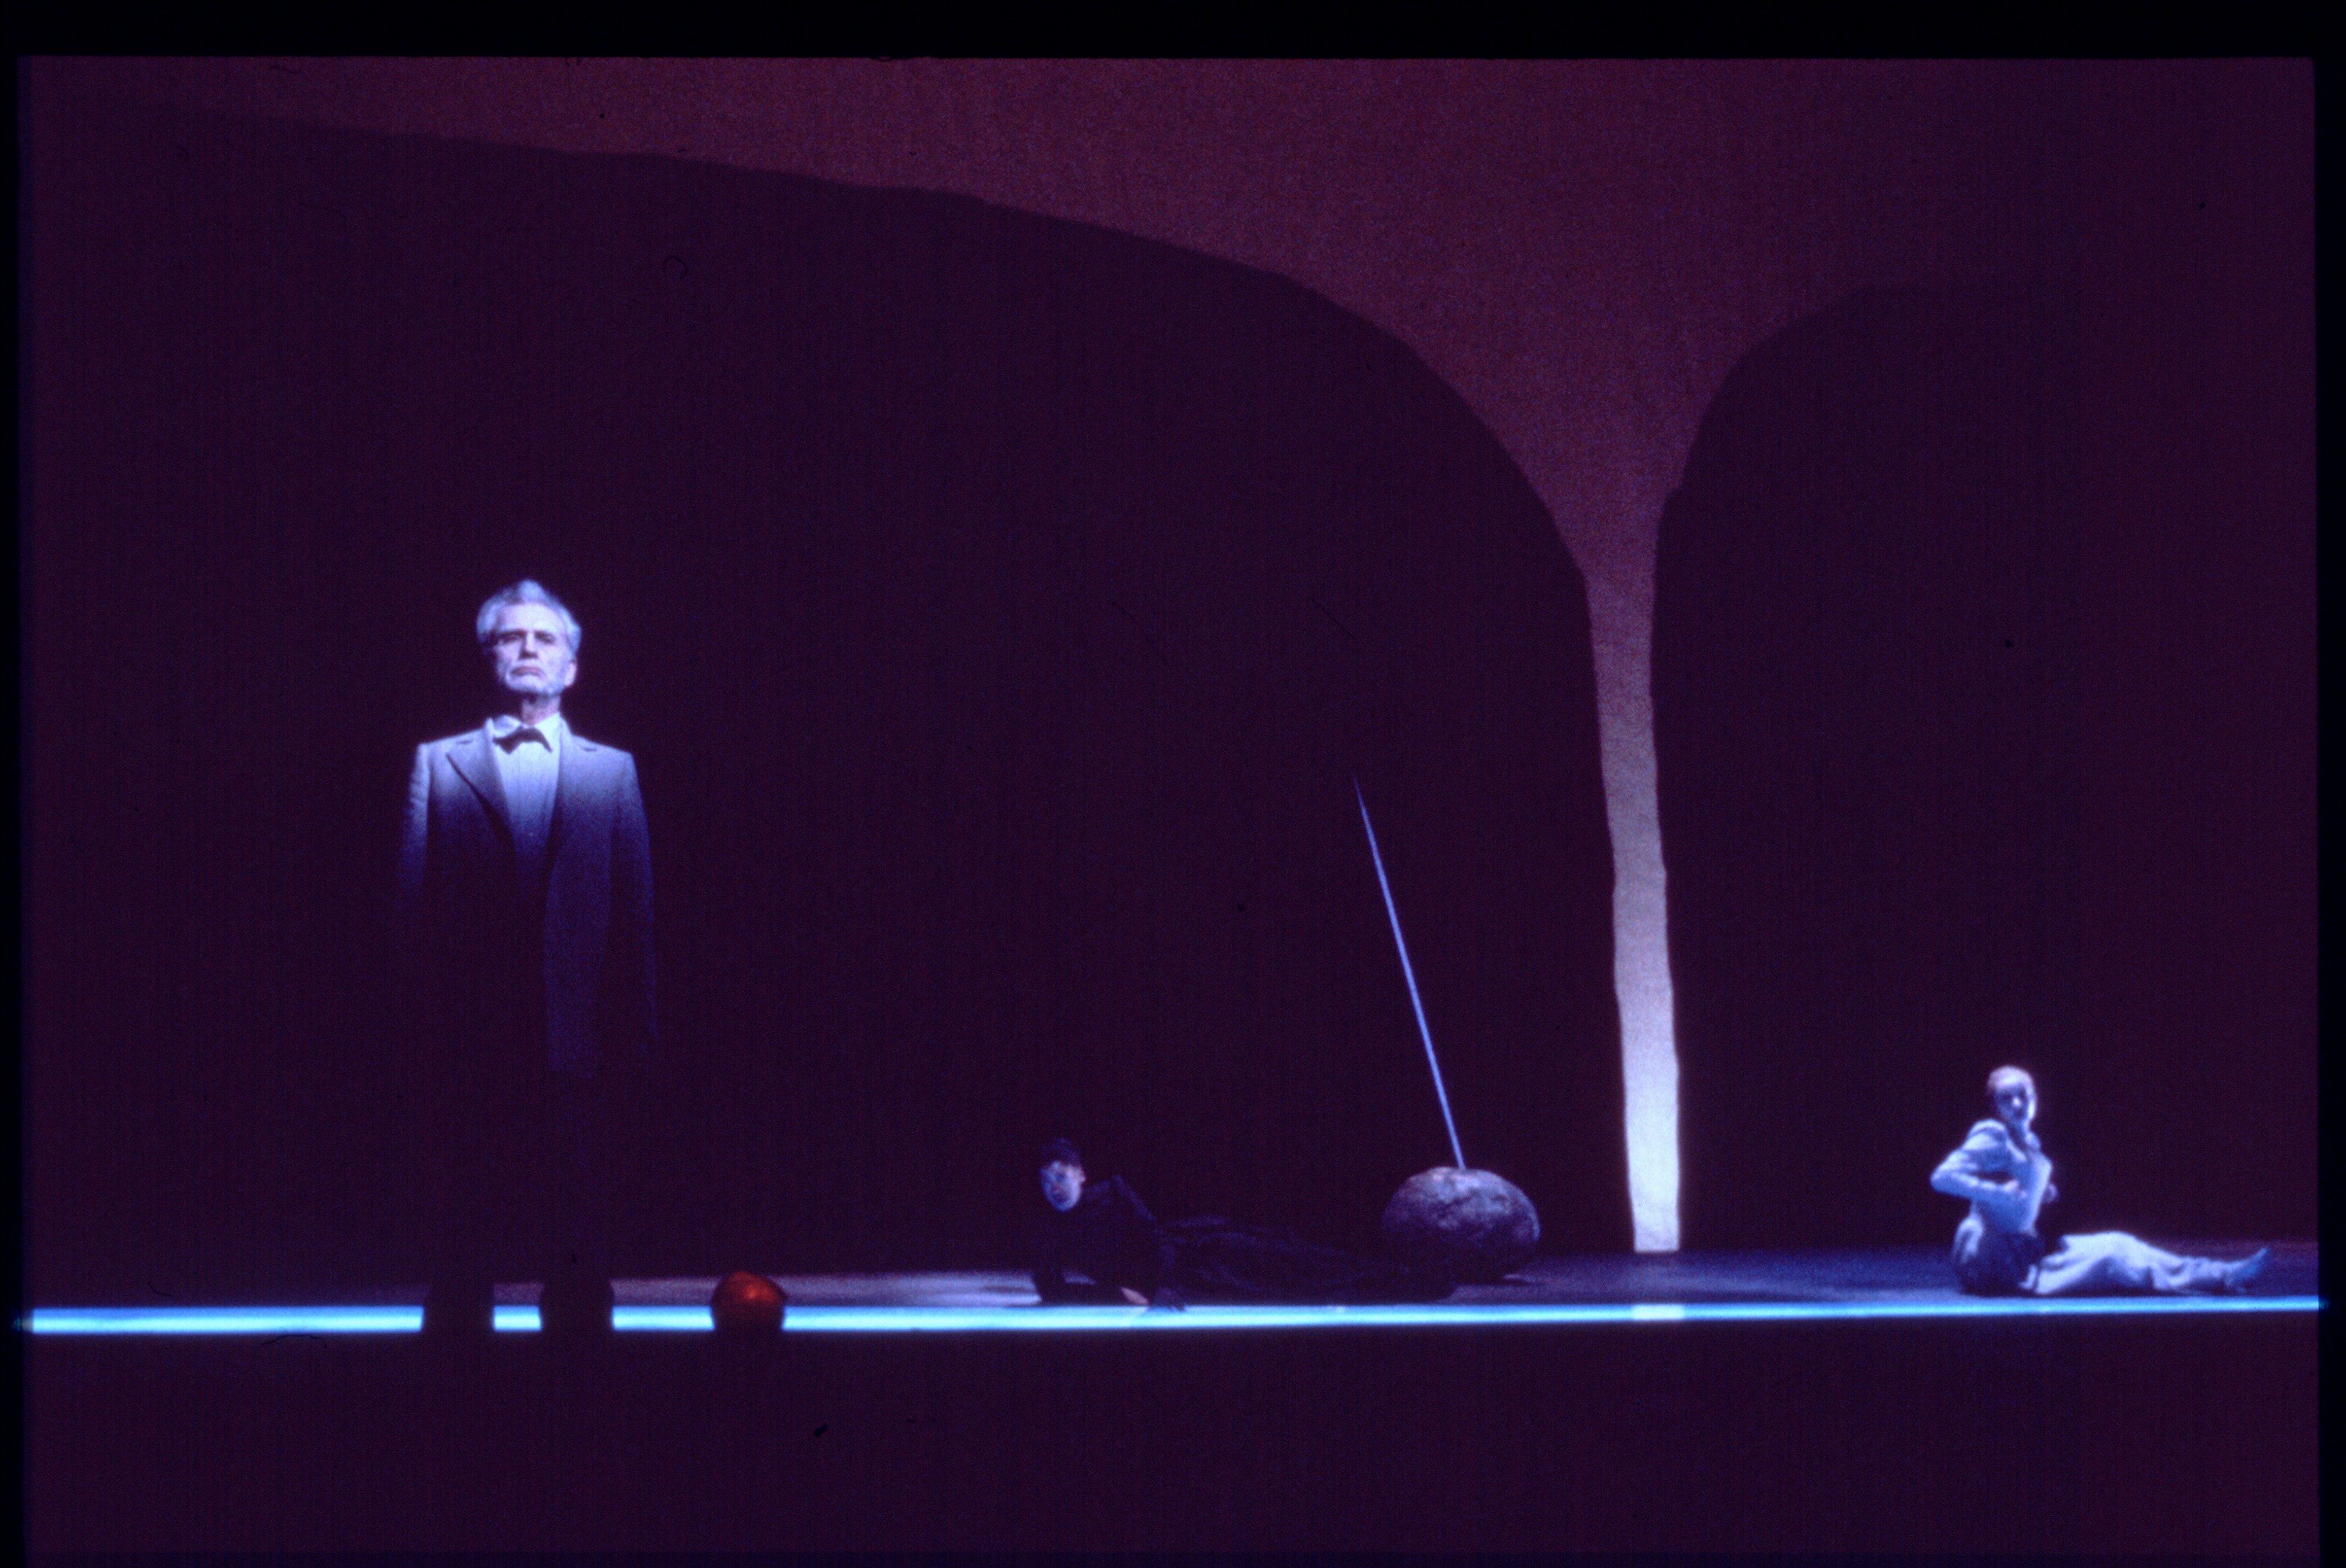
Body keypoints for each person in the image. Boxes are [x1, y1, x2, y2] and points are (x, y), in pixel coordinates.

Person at [399, 580, 657, 1339]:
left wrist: (636, 1023)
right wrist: (415, 1021)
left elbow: (634, 912)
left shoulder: (613, 770)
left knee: (576, 1201)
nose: (528, 649)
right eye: (511, 637)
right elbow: (411, 904)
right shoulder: (438, 763)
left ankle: (581, 1352)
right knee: (462, 1204)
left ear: (571, 666)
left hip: (576, 1026)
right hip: (467, 1026)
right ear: (488, 658)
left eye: (545, 638)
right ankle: (455, 1350)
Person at [1929, 1067, 2267, 1297]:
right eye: (2007, 1098)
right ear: (1995, 1105)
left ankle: (2221, 1275)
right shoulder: (1994, 1135)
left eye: (2024, 1095)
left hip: (2024, 1251)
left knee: (2119, 1243)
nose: (2018, 1104)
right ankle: (2222, 1278)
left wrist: (2041, 1193)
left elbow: (2018, 1192)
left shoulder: (2028, 1143)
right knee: (2113, 1259)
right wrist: (1995, 1194)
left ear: (2036, 1098)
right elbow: (1943, 1177)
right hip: (1999, 1264)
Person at [1029, 1139, 1452, 1308]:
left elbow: (1154, 1236)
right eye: (1047, 1180)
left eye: (1061, 1176)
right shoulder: (1050, 1229)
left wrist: (1161, 1285)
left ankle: (1403, 1277)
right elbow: (1050, 1288)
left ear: (1081, 1175)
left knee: (1293, 1259)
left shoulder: (1114, 1193)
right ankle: (1393, 1282)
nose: (1055, 1187)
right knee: (1291, 1289)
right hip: (1184, 1281)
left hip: (1194, 1253)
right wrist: (1116, 1295)